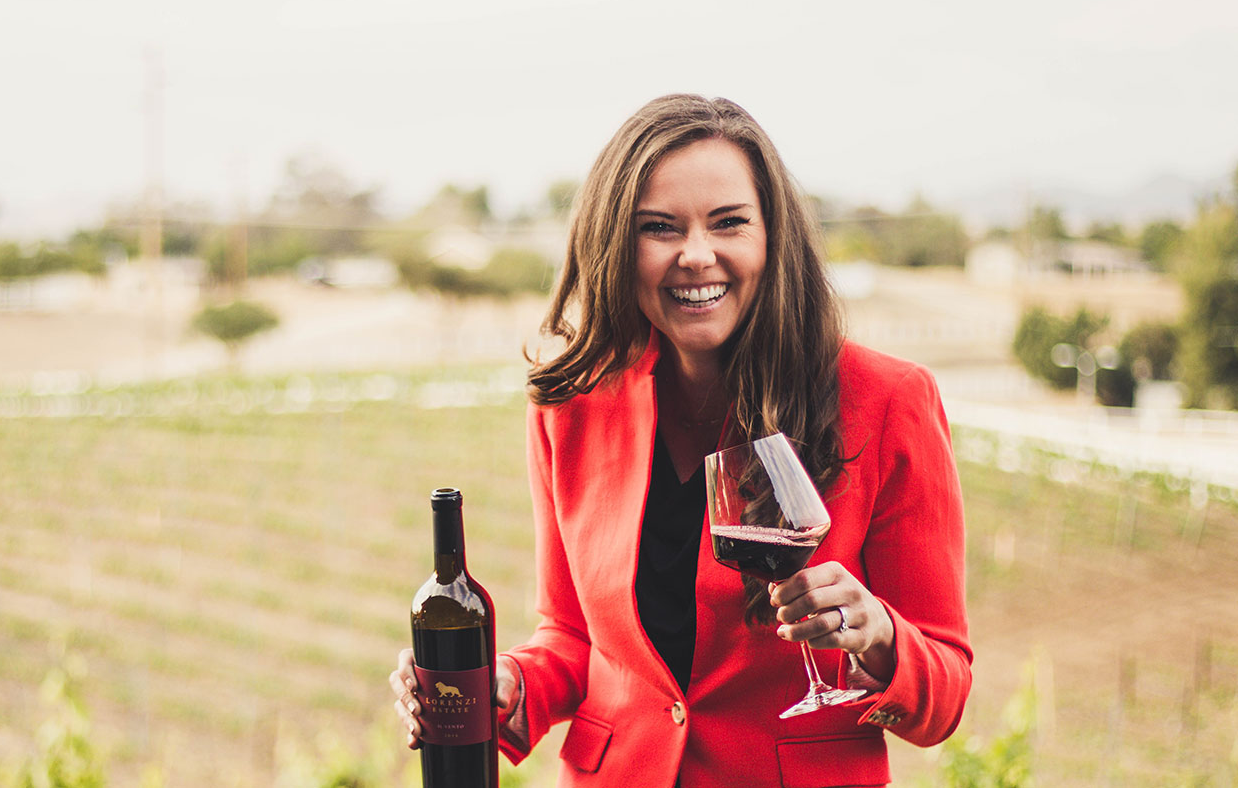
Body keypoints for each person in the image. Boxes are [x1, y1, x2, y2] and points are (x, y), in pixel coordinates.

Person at [388, 94, 971, 787]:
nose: (697, 255)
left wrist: (877, 631)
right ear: (616, 246)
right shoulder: (570, 405)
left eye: (729, 223)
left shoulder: (887, 400)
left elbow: (946, 690)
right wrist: (508, 681)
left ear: (771, 236)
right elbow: (574, 636)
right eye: (659, 228)